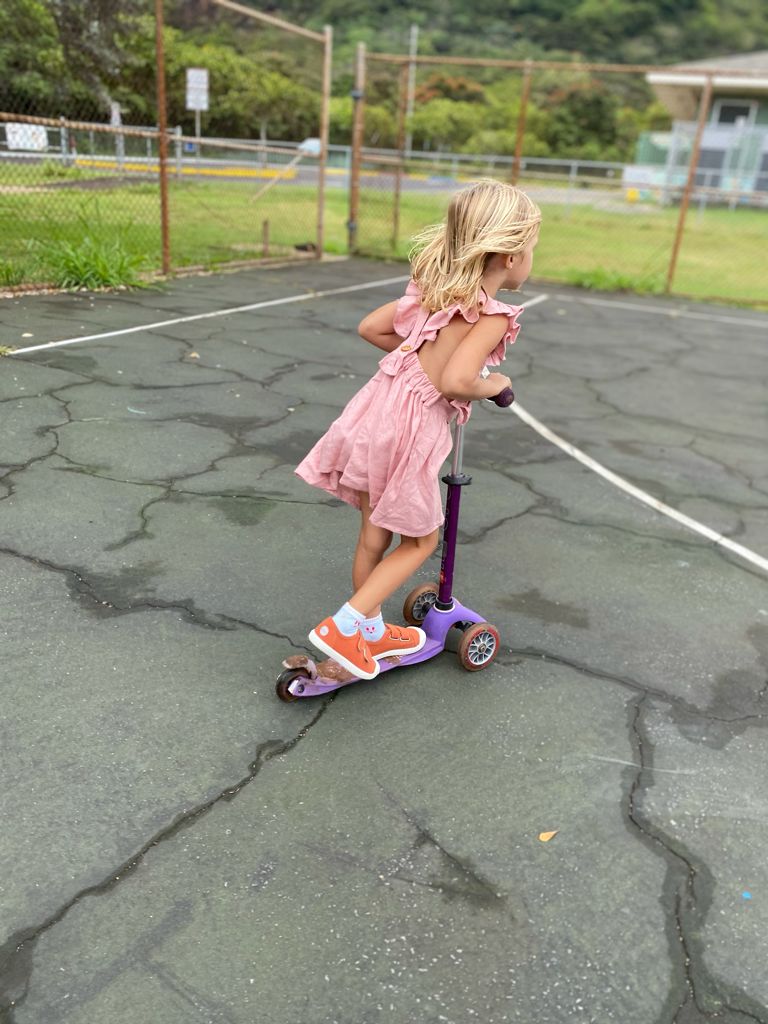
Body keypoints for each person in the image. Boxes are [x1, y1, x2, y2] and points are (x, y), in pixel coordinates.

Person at [295, 178, 541, 680]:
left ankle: (369, 633)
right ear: (511, 256)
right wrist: (495, 385)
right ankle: (344, 626)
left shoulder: (434, 291)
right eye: (533, 248)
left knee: (373, 536)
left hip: (375, 412)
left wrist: (413, 363)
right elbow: (457, 379)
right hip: (412, 429)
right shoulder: (491, 315)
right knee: (420, 543)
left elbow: (372, 328)